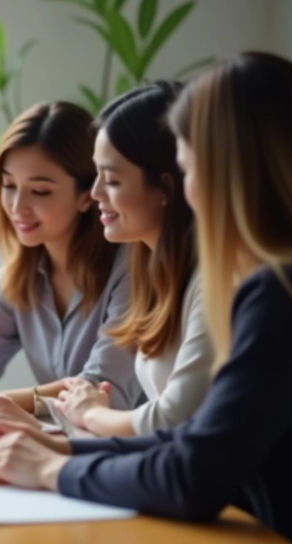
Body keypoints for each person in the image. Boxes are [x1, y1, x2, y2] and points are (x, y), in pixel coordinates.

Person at [0, 52, 292, 544]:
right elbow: (193, 441)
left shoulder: (286, 291)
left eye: (189, 169)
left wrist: (52, 470)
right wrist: (66, 453)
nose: (187, 190)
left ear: (229, 172)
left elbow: (192, 474)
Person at [0, 101, 141, 421]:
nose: (17, 206)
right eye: (8, 185)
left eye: (40, 191)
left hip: (132, 453)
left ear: (88, 195)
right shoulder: (19, 276)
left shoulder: (130, 268)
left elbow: (103, 389)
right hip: (62, 447)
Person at [46, 82, 213, 437]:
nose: (94, 195)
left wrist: (91, 416)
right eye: (96, 177)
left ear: (166, 187)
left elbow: (174, 422)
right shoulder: (157, 272)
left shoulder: (212, 281)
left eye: (112, 180)